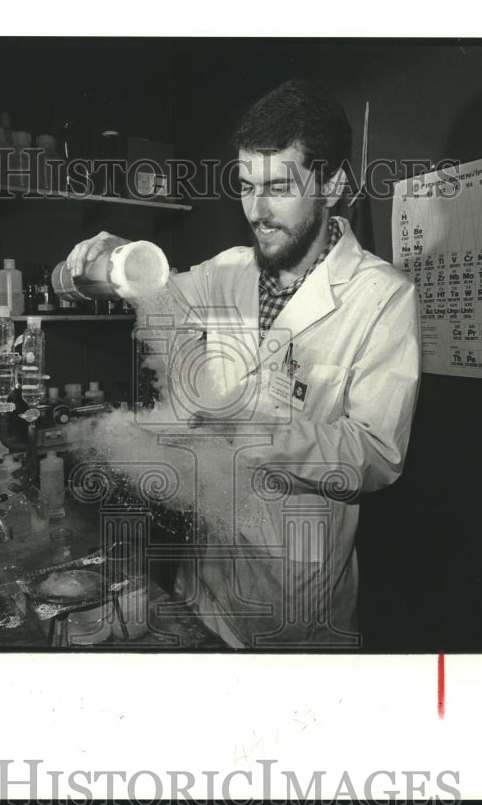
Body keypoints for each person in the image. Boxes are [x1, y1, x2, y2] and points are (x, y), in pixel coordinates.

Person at [65, 79, 420, 647]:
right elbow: (147, 291)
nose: (256, 210)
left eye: (279, 187)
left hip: (296, 602)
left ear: (333, 184)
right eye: (247, 185)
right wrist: (102, 264)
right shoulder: (226, 271)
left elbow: (377, 456)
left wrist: (252, 428)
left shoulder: (381, 298)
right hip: (204, 585)